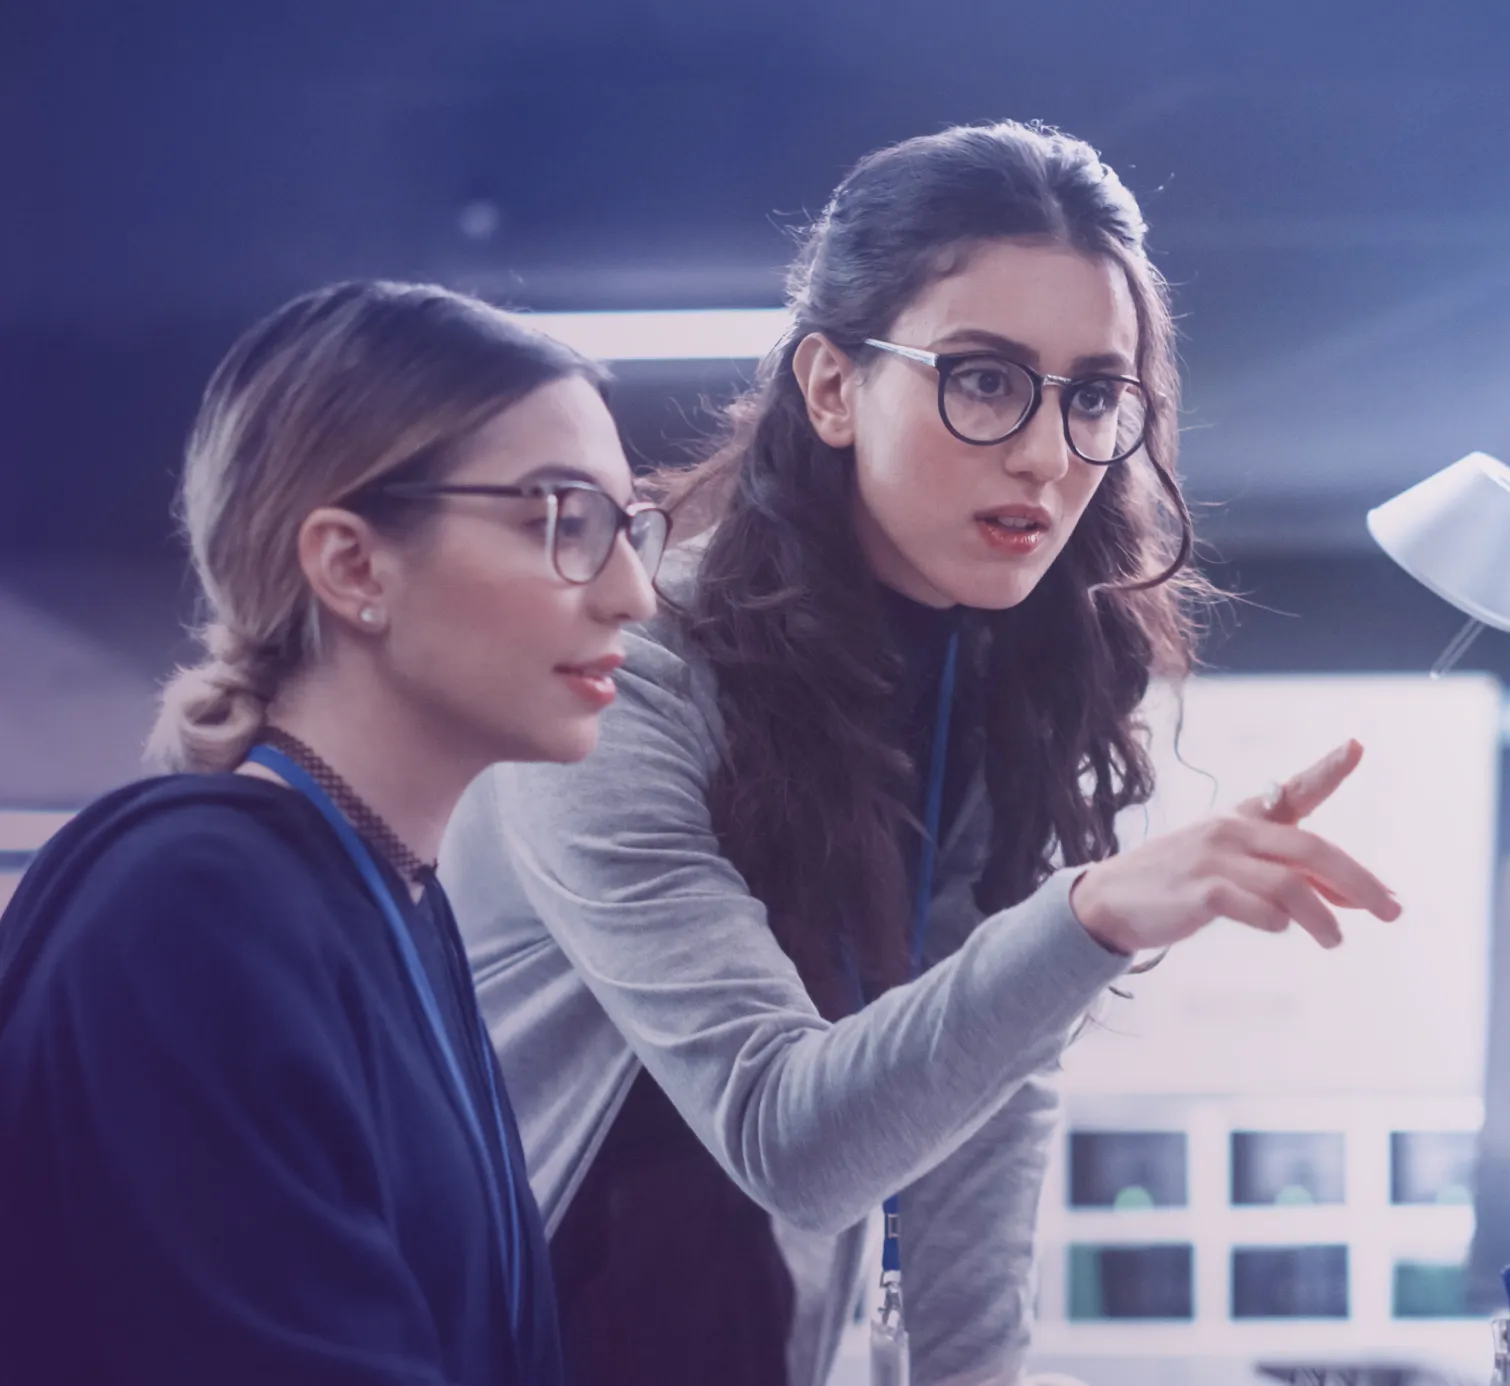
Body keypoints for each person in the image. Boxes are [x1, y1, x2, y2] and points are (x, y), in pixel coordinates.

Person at [442, 121, 1401, 1386]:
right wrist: (1093, 915)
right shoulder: (625, 678)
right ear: (833, 388)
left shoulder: (989, 685)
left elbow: (974, 1122)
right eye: (984, 378)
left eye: (1094, 395)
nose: (1047, 454)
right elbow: (790, 1140)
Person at [0, 279, 666, 1385]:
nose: (633, 593)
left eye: (629, 528)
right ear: (354, 565)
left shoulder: (389, 898)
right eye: (562, 521)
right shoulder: (195, 906)